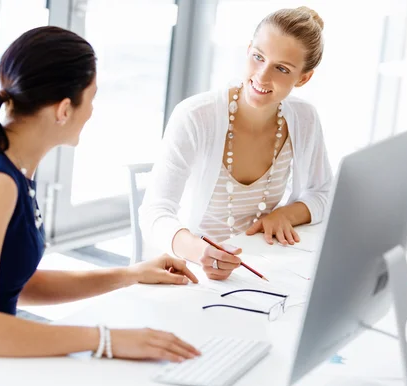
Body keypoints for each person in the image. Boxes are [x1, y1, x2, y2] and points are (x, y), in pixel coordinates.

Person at [0, 26, 200, 386]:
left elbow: (13, 284)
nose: (92, 111)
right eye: (91, 97)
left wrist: (129, 274)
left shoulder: (10, 169)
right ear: (63, 110)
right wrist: (106, 339)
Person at [139, 7, 333, 281]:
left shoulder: (304, 118)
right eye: (258, 57)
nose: (262, 77)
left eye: (281, 68)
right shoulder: (195, 116)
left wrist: (286, 214)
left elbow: (324, 192)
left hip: (265, 268)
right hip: (194, 271)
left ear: (303, 78)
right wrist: (200, 252)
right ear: (248, 50)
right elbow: (154, 212)